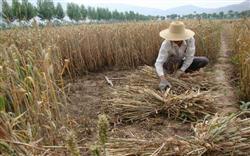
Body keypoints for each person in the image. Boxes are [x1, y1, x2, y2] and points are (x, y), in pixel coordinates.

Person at [155, 21, 209, 91]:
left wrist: (181, 70)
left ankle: (183, 72)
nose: (176, 40)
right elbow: (158, 63)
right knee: (175, 59)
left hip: (182, 62)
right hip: (170, 64)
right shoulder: (166, 44)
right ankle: (173, 73)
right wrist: (162, 79)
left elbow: (189, 57)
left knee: (204, 61)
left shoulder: (190, 40)